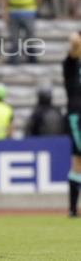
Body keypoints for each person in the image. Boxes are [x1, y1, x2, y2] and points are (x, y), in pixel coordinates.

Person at [63, 32, 81, 217]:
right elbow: (75, 44)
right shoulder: (71, 64)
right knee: (78, 160)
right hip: (78, 115)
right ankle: (72, 208)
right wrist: (76, 39)